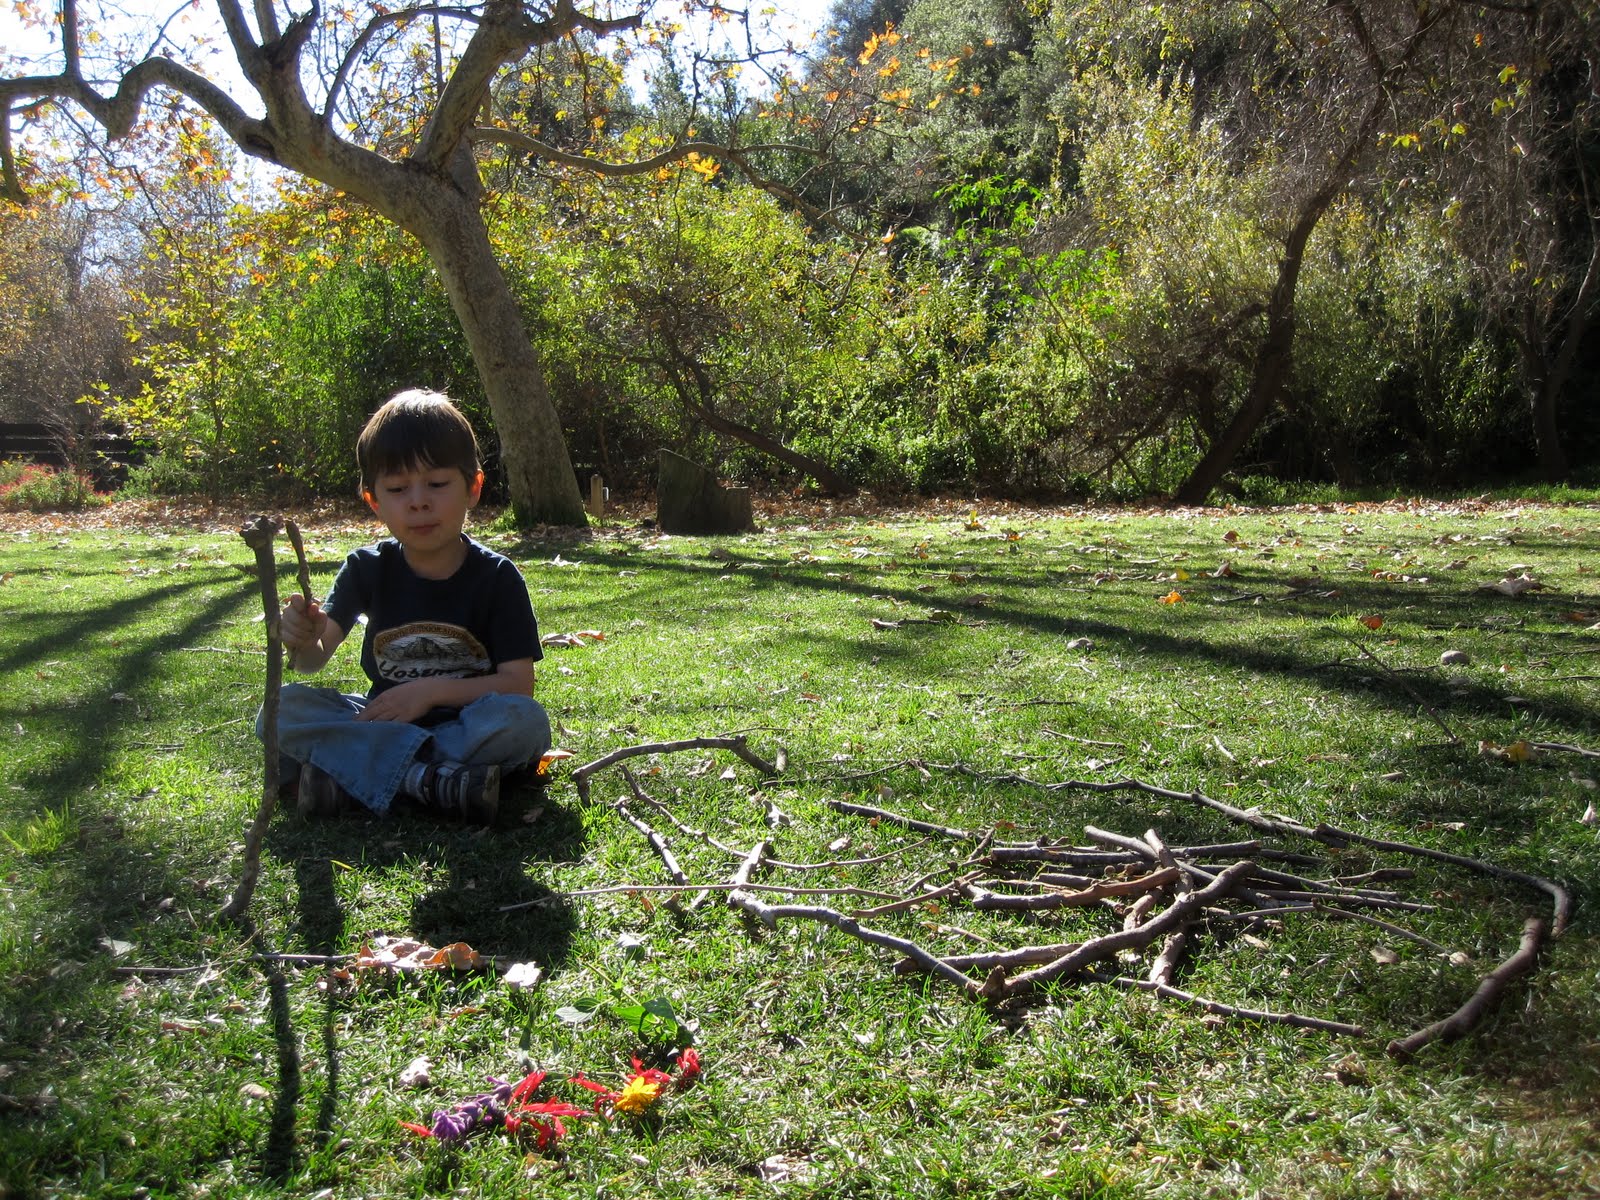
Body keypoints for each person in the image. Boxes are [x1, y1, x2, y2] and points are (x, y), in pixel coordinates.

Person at [260, 388, 550, 823]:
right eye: (397, 488)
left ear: (473, 488)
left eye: (437, 484)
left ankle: (360, 776)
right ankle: (431, 781)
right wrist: (300, 637)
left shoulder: (498, 578)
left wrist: (427, 692)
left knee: (523, 721)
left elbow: (518, 684)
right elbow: (311, 661)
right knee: (281, 710)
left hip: (464, 725)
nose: (418, 501)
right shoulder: (366, 569)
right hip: (382, 718)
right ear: (374, 501)